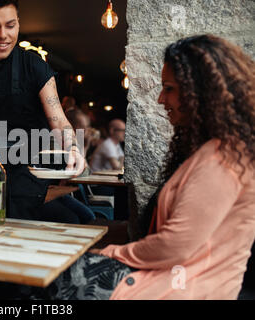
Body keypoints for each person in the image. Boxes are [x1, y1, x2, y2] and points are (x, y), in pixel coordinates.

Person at [33, 34, 255, 300]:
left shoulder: (222, 159)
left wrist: (112, 251)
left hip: (179, 289)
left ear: (199, 91)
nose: (161, 99)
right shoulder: (221, 150)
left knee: (43, 283)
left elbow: (176, 246)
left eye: (169, 88)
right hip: (181, 281)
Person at [0, 0, 85, 222]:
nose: (3, 35)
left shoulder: (35, 67)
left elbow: (59, 121)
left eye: (10, 25)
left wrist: (73, 148)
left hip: (32, 177)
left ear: (18, 24)